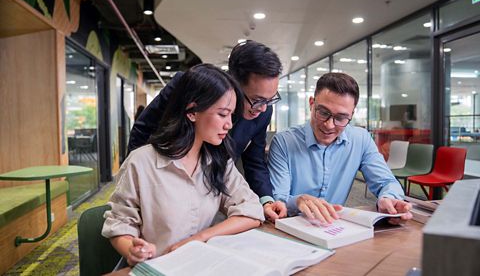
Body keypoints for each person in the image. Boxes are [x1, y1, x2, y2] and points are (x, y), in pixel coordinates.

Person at [102, 64, 265, 266]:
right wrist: (132, 250)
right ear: (192, 111)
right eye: (222, 114)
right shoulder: (141, 162)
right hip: (157, 267)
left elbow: (252, 211)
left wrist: (199, 238)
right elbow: (119, 225)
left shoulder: (218, 161)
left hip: (200, 265)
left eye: (231, 115)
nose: (229, 124)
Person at [128, 40, 287, 221]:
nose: (263, 109)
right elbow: (142, 131)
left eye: (270, 100)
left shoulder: (262, 111)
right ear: (234, 83)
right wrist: (137, 184)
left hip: (212, 189)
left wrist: (265, 200)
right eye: (257, 100)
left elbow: (255, 160)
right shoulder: (189, 86)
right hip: (166, 181)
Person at [268, 73, 412, 225]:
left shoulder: (361, 139)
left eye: (341, 118)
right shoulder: (284, 141)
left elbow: (386, 181)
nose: (329, 125)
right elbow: (279, 198)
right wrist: (298, 200)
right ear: (311, 103)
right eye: (323, 113)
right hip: (291, 226)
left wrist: (389, 198)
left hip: (334, 226)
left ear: (352, 114)